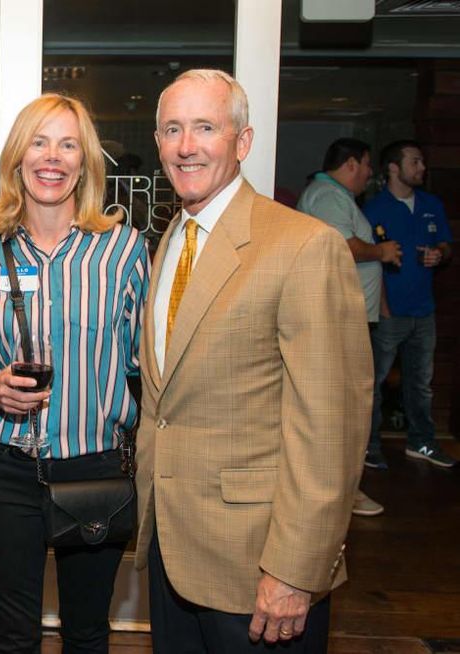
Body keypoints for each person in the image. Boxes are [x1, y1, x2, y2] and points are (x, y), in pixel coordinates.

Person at [135, 69, 372, 651]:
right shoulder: (171, 238)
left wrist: (295, 570)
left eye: (205, 127)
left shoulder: (304, 246)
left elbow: (331, 428)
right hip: (173, 549)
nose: (186, 145)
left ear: (242, 142)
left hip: (260, 568)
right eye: (172, 129)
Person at [0, 93, 150, 652]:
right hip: (7, 470)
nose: (52, 157)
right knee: (13, 634)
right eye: (39, 142)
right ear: (18, 158)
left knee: (88, 632)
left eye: (68, 144)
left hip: (93, 465)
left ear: (85, 162)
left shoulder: (123, 252)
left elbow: (146, 361)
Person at [296, 137, 397, 515]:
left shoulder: (335, 196)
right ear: (352, 164)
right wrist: (381, 251)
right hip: (338, 318)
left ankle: (344, 489)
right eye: (368, 165)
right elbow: (340, 245)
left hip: (352, 317)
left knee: (351, 406)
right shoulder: (327, 196)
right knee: (343, 409)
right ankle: (342, 493)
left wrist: (381, 305)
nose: (371, 173)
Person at [363, 140, 455, 469]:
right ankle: (369, 448)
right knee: (373, 383)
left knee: (420, 384)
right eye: (415, 162)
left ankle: (422, 443)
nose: (422, 168)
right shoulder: (373, 209)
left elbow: (445, 244)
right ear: (393, 168)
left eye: (422, 162)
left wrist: (439, 254)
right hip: (389, 314)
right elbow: (366, 263)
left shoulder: (432, 204)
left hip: (424, 311)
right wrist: (383, 308)